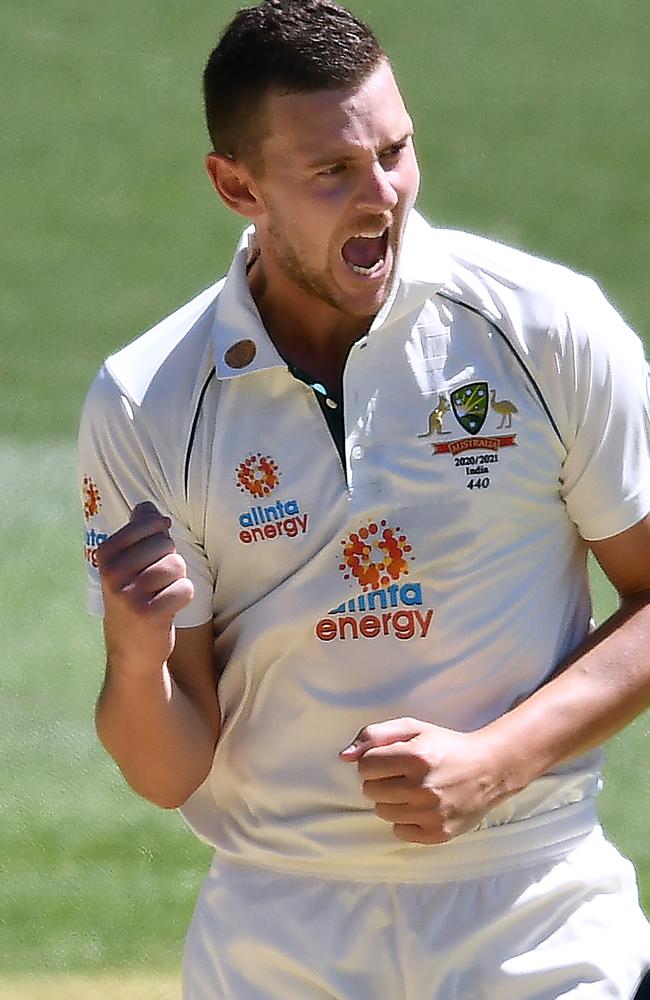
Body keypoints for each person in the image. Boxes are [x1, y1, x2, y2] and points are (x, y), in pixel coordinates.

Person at [77, 1, 650, 996]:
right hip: (279, 931)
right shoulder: (147, 399)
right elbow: (168, 769)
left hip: (534, 916)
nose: (380, 195)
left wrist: (495, 759)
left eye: (394, 150)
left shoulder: (543, 327)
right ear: (234, 184)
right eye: (332, 170)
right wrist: (134, 661)